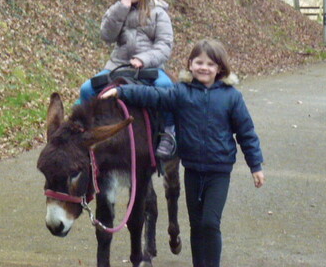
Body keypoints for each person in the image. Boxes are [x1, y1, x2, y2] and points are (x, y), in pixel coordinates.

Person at [101, 39, 265, 267]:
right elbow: (152, 96)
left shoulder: (231, 97)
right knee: (196, 224)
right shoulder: (181, 93)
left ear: (220, 68)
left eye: (210, 63)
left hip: (219, 173)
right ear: (190, 64)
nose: (204, 67)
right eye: (199, 62)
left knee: (210, 223)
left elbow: (246, 133)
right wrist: (120, 91)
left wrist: (255, 166)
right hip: (193, 170)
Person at [79, 0, 176, 159]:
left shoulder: (159, 13)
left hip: (149, 68)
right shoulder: (116, 10)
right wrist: (119, 11)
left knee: (167, 88)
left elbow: (164, 45)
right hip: (118, 64)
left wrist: (145, 59)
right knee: (87, 89)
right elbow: (106, 36)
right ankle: (79, 131)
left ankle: (169, 131)